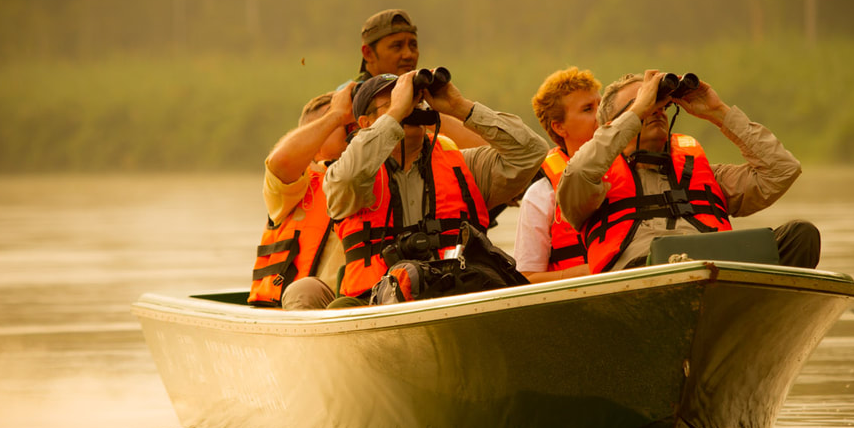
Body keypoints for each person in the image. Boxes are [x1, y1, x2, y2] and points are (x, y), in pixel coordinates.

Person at [557, 70, 820, 273]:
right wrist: (638, 111)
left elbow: (782, 170)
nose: (655, 109)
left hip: (719, 271)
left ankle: (753, 317)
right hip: (642, 279)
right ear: (611, 124)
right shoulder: (594, 184)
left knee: (801, 235)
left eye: (660, 103)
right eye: (643, 103)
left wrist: (719, 113)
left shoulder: (705, 175)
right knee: (670, 268)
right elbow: (578, 173)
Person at [323, 70, 548, 303]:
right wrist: (397, 112)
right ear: (365, 123)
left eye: (415, 100)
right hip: (376, 305)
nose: (409, 106)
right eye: (394, 101)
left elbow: (531, 152)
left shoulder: (464, 167)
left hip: (458, 295)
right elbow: (347, 178)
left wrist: (460, 107)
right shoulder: (348, 177)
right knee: (341, 306)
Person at [248, 83, 355, 309]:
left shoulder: (383, 169)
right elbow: (281, 162)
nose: (352, 127)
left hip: (368, 297)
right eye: (344, 123)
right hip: (312, 304)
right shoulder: (295, 184)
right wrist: (335, 115)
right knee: (305, 290)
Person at [513, 67, 602, 283]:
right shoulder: (541, 195)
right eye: (588, 109)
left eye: (602, 105)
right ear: (559, 127)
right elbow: (526, 278)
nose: (601, 114)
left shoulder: (635, 172)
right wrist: (582, 273)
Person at [354, 8, 485, 148]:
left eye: (413, 45)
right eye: (397, 46)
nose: (408, 54)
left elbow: (483, 147)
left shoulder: (423, 100)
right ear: (368, 53)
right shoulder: (348, 103)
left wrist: (429, 107)